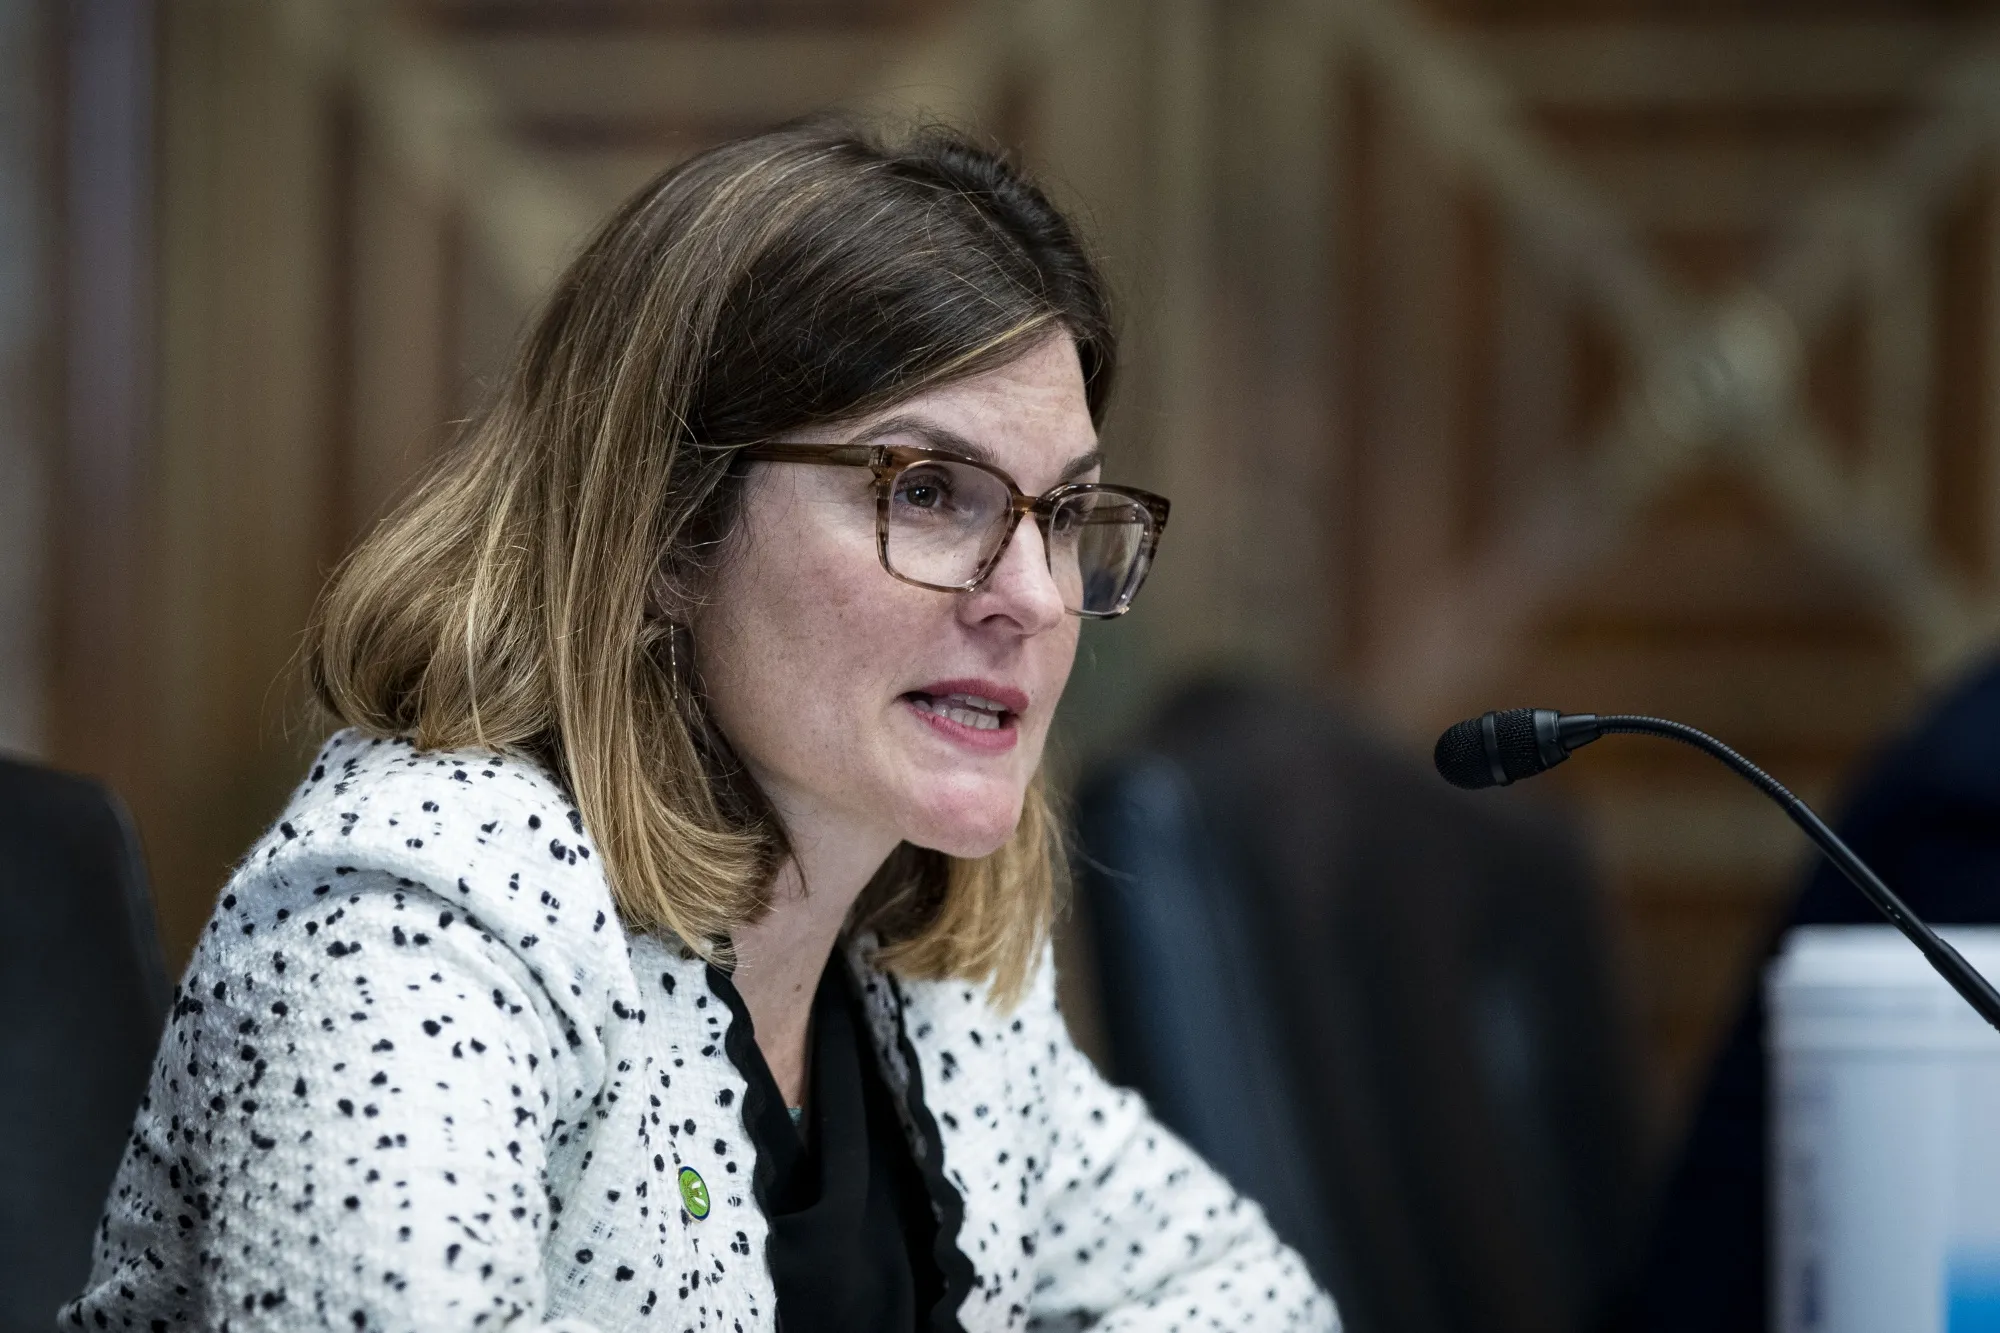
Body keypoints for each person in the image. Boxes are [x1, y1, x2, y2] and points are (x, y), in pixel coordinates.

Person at [62, 121, 1336, 1333]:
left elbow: (1248, 1293)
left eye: (1061, 515)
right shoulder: (411, 912)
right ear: (669, 530)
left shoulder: (930, 980)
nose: (1034, 596)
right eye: (930, 492)